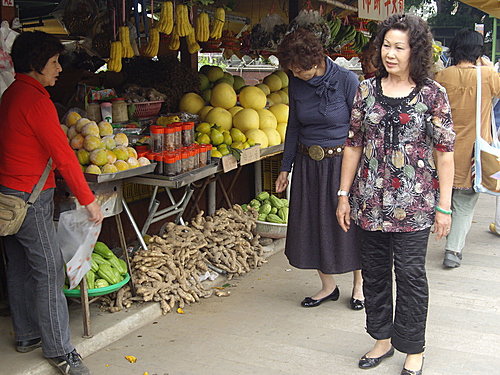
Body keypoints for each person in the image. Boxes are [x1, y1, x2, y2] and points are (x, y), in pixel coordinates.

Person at [336, 14, 455, 374]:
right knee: (373, 273)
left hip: (415, 206)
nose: (390, 53)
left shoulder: (433, 95)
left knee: (410, 275)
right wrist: (343, 194)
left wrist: (444, 208)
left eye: (398, 47)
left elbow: (445, 153)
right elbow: (353, 145)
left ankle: (413, 347)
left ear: (414, 51)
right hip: (369, 203)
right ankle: (382, 339)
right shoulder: (366, 90)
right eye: (386, 45)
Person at [0, 31, 103, 375]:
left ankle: (27, 334)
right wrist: (88, 201)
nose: (59, 68)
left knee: (18, 265)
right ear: (35, 64)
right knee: (48, 271)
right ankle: (60, 351)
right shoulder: (36, 101)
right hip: (30, 201)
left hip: (7, 199)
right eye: (54, 62)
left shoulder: (11, 94)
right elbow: (63, 155)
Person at [275, 27, 364, 311]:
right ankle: (328, 286)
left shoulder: (347, 80)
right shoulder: (295, 82)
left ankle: (359, 285)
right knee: (310, 224)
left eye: (300, 69)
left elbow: (361, 130)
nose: (296, 74)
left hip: (341, 165)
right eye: (291, 70)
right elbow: (294, 126)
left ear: (316, 60)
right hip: (307, 164)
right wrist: (285, 167)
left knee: (347, 224)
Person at [435, 29, 500, 267]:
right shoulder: (489, 76)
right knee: (464, 202)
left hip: (442, 151)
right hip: (474, 155)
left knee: (442, 197)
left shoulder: (442, 76)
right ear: (478, 51)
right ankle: (453, 251)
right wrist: (488, 66)